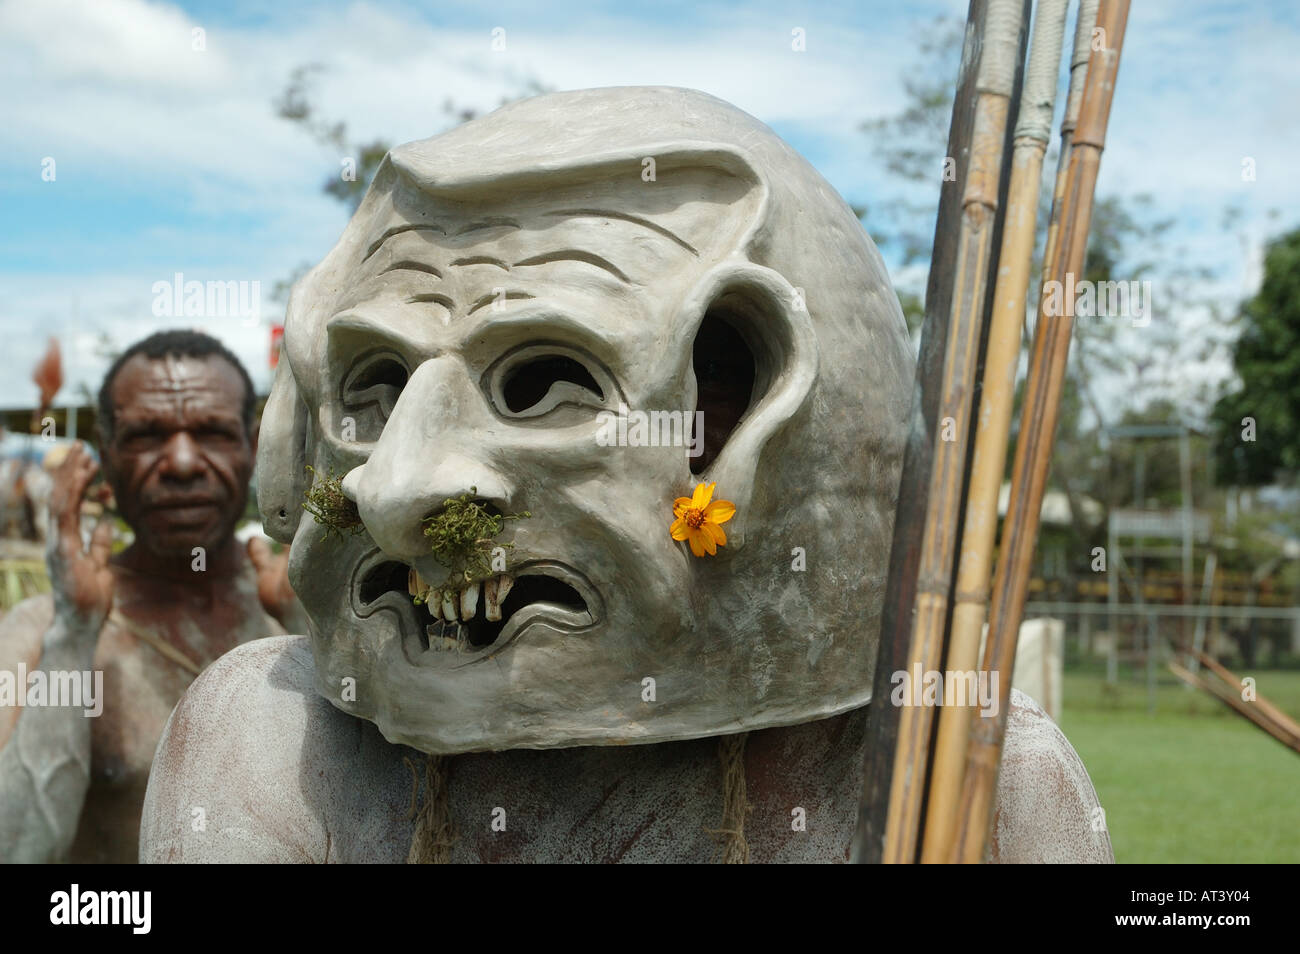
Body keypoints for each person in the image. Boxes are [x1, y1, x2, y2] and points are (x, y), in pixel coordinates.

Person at [0, 330, 304, 862]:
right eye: (146, 436)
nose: (183, 463)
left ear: (252, 446)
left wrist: (312, 624)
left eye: (210, 432)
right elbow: (19, 848)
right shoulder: (40, 631)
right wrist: (72, 634)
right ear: (107, 459)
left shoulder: (296, 606)